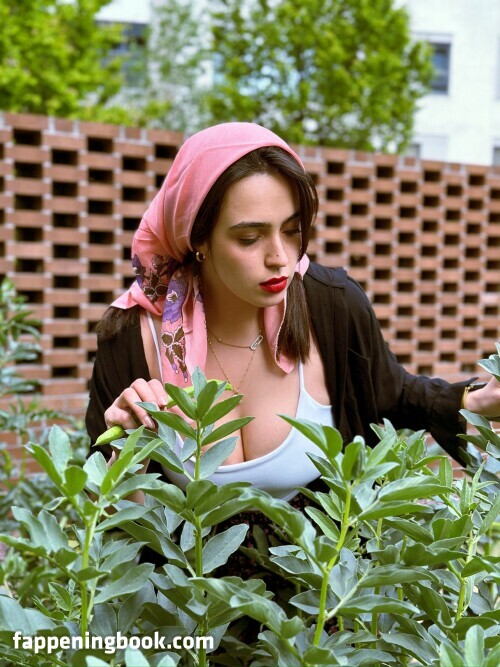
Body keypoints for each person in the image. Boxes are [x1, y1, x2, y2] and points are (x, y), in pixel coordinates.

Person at [86, 122, 500, 499]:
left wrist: (475, 402)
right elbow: (105, 524)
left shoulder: (331, 304)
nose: (280, 258)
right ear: (198, 239)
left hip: (323, 561)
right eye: (250, 238)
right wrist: (124, 453)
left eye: (291, 230)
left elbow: (393, 394)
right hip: (187, 563)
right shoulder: (132, 337)